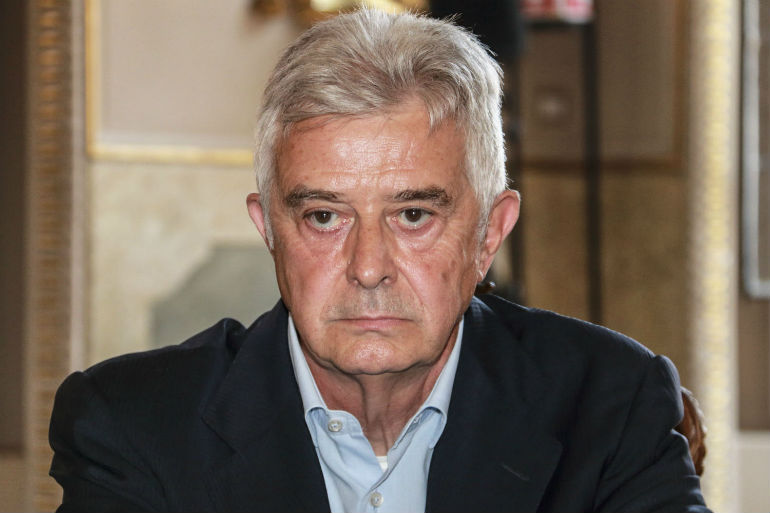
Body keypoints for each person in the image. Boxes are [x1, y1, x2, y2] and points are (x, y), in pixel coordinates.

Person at [49, 8, 709, 513]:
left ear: (489, 233)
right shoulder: (132, 426)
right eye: (324, 216)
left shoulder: (611, 405)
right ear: (269, 229)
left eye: (413, 215)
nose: (368, 268)